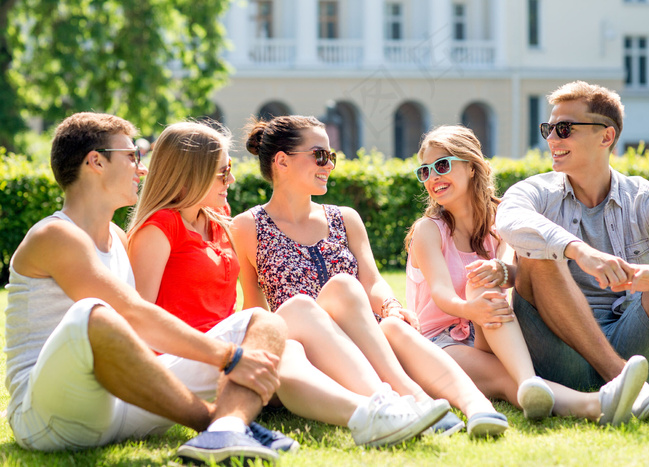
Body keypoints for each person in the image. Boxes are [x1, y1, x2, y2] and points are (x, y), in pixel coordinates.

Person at [126, 120, 444, 448]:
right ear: (189, 172)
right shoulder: (159, 228)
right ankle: (384, 404)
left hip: (229, 354)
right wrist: (224, 354)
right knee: (298, 310)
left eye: (230, 169)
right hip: (192, 359)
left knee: (289, 347)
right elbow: (141, 322)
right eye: (222, 172)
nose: (231, 179)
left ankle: (378, 409)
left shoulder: (218, 223)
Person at [3, 112, 288, 466]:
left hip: (120, 401)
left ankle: (226, 429)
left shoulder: (119, 240)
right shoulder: (55, 234)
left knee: (263, 323)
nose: (142, 168)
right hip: (49, 415)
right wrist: (229, 357)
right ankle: (211, 423)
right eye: (132, 155)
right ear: (96, 161)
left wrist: (234, 348)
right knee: (96, 315)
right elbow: (133, 315)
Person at [232, 115, 512, 437]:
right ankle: (410, 397)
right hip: (306, 346)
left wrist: (392, 307)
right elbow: (255, 309)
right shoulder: (246, 226)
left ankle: (477, 407)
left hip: (361, 336)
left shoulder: (344, 218)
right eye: (320, 156)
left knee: (386, 319)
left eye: (331, 157)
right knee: (328, 293)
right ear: (282, 161)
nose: (329, 165)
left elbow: (373, 282)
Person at [405, 124, 649, 426]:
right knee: (505, 380)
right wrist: (471, 310)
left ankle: (532, 383)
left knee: (482, 278)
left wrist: (491, 283)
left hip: (492, 330)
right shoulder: (428, 230)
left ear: (470, 167)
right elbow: (441, 293)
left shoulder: (503, 217)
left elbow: (508, 266)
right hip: (440, 342)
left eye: (442, 165)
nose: (433, 177)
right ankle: (593, 402)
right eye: (425, 171)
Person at [495, 80, 649, 418]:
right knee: (538, 257)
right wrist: (578, 250)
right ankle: (620, 378)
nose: (552, 140)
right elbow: (509, 218)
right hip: (561, 352)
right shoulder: (535, 191)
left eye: (564, 128)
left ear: (606, 136)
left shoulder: (641, 197)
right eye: (549, 129)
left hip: (633, 341)